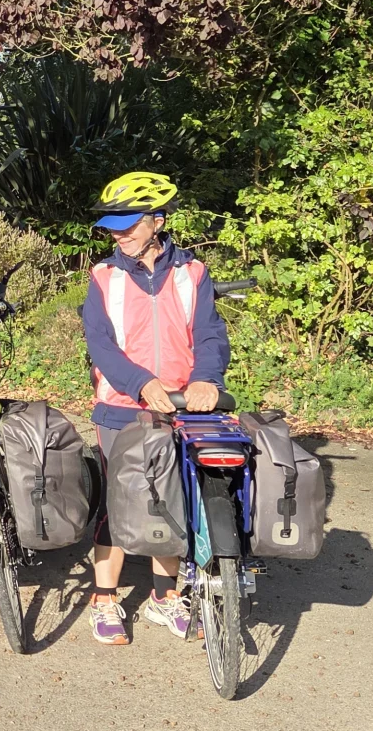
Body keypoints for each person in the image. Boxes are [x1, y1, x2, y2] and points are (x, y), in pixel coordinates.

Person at [79, 171, 230, 645]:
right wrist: (141, 384)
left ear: (157, 222)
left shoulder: (194, 273)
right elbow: (100, 345)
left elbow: (209, 334)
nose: (119, 234)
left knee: (173, 501)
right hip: (121, 409)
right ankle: (104, 600)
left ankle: (166, 597)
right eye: (113, 226)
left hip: (183, 408)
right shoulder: (104, 277)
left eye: (129, 224)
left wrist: (207, 378)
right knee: (118, 504)